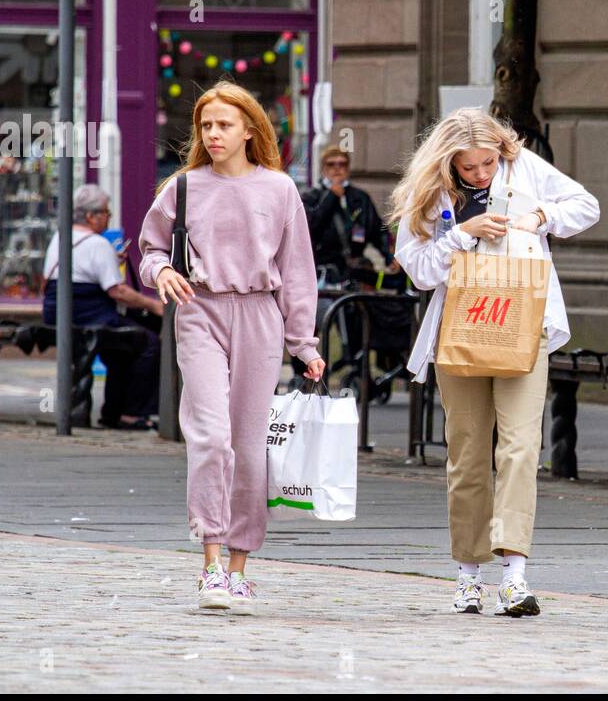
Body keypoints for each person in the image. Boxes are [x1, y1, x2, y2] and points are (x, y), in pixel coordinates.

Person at [388, 107, 599, 616]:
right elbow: (416, 269)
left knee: (522, 448)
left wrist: (540, 216)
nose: (481, 173)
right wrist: (462, 234)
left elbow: (586, 205)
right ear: (448, 163)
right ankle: (468, 574)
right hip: (459, 330)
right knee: (466, 453)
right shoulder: (431, 194)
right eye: (469, 168)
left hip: (522, 326)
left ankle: (515, 575)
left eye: (487, 163)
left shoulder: (523, 166)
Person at [137, 81, 325, 614]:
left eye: (223, 125)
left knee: (247, 446)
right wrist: (163, 270)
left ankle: (240, 568)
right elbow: (148, 249)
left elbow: (297, 274)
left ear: (249, 129)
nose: (213, 134)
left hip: (260, 316)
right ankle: (211, 564)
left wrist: (304, 345)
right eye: (205, 126)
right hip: (200, 310)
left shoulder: (280, 190)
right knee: (211, 438)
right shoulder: (183, 187)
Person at [42, 184, 163, 430]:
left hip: (58, 313)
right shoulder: (97, 244)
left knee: (122, 350)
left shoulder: (60, 236)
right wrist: (154, 305)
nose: (109, 217)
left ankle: (112, 412)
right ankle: (131, 414)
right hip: (89, 316)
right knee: (149, 343)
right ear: (91, 216)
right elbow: (117, 291)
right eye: (106, 213)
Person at [302, 145, 391, 283]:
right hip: (323, 272)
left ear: (348, 168)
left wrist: (389, 256)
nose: (337, 168)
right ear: (324, 169)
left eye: (342, 164)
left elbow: (377, 230)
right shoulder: (311, 197)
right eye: (331, 164)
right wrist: (331, 196)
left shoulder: (360, 197)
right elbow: (310, 227)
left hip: (354, 272)